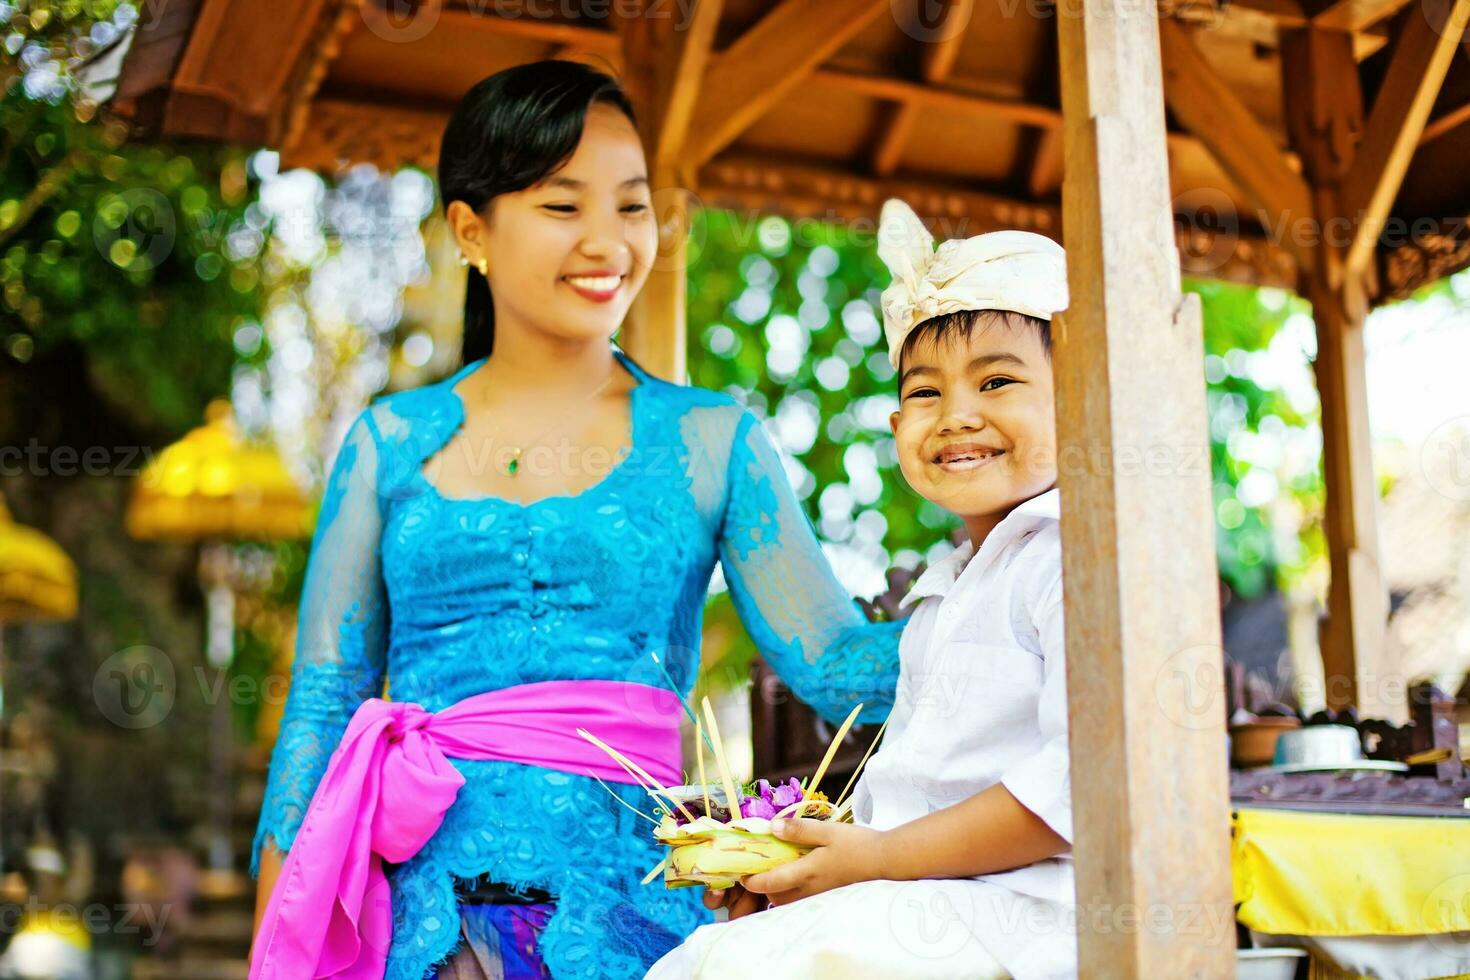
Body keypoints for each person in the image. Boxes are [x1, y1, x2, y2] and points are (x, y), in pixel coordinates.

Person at [246, 61, 903, 980]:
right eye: (564, 207)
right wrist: (278, 944)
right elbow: (323, 700)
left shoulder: (715, 440)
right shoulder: (386, 442)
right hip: (411, 915)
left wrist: (1011, 596)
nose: (609, 242)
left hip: (633, 911)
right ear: (471, 230)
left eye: (631, 208)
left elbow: (836, 667)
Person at [646, 199, 1078, 980]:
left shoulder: (1070, 561)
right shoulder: (944, 600)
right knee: (705, 958)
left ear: (1083, 402)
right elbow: (896, 810)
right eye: (924, 392)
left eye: (998, 380)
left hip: (1026, 914)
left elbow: (1075, 785)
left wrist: (873, 859)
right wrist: (800, 870)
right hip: (923, 898)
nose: (956, 417)